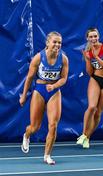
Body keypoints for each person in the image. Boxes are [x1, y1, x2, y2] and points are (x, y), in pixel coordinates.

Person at [19, 31, 69, 165]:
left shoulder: (63, 59)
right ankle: (27, 134)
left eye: (59, 42)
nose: (57, 45)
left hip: (54, 91)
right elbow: (29, 78)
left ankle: (47, 155)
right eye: (55, 42)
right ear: (48, 43)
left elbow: (64, 78)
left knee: (53, 125)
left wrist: (54, 86)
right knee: (35, 127)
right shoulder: (38, 58)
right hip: (40, 90)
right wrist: (24, 96)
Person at [76, 28, 103, 148]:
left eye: (95, 36)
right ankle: (83, 135)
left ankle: (87, 137)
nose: (93, 39)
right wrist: (88, 59)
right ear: (87, 38)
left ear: (98, 36)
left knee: (98, 112)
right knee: (92, 107)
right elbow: (90, 72)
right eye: (91, 37)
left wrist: (96, 57)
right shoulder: (88, 52)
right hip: (95, 79)